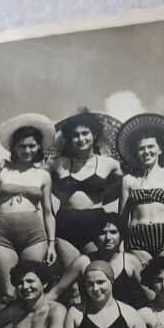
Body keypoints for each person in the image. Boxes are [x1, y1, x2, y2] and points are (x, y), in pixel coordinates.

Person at [0, 113, 57, 304]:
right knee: (9, 292)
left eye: (31, 146)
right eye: (22, 146)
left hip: (34, 236)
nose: (27, 150)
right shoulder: (0, 170)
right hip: (3, 234)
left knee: (33, 290)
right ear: (14, 147)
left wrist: (52, 243)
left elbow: (48, 212)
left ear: (39, 147)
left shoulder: (43, 176)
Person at [117, 112, 164, 270]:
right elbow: (122, 219)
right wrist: (120, 250)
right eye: (141, 149)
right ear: (136, 153)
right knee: (147, 290)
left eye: (151, 147)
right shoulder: (128, 180)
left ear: (160, 149)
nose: (146, 152)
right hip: (137, 240)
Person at [50, 109, 122, 268]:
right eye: (75, 135)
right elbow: (33, 175)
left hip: (96, 225)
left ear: (94, 135)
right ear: (69, 139)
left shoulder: (109, 164)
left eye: (85, 133)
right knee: (72, 286)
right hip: (65, 225)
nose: (80, 138)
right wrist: (5, 165)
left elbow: (134, 177)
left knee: (97, 274)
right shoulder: (58, 164)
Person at [47, 212, 153, 309]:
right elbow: (55, 293)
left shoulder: (130, 261)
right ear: (94, 237)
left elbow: (150, 295)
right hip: (91, 318)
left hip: (123, 320)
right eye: (102, 233)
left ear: (121, 236)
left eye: (113, 232)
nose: (108, 237)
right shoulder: (83, 261)